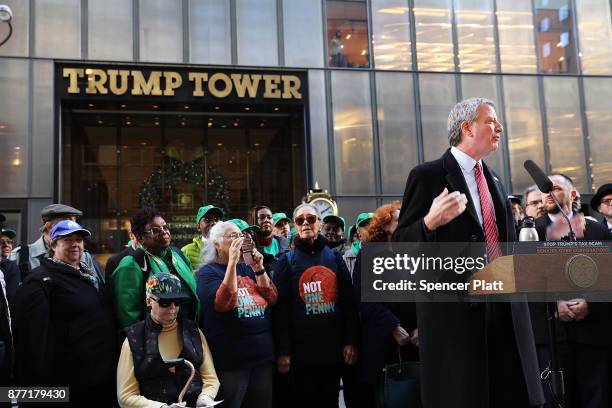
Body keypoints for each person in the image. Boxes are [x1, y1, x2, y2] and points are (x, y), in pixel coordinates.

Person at [393, 97, 544, 408]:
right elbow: (400, 245)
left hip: (504, 308)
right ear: (466, 128)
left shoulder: (496, 180)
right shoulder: (428, 175)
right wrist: (428, 223)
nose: (499, 127)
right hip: (457, 318)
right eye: (491, 121)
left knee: (508, 392)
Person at [12, 220, 116, 407]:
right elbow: (31, 342)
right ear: (53, 245)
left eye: (79, 239)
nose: (75, 244)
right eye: (67, 240)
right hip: (66, 386)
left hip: (99, 380)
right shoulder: (39, 281)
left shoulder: (89, 274)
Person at [531, 174, 612, 408]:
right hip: (550, 335)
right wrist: (553, 304)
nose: (547, 193)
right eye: (544, 190)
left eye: (554, 188)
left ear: (573, 194)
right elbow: (523, 282)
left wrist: (591, 303)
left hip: (593, 334)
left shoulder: (597, 232)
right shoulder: (530, 232)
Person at [273, 203, 359, 408]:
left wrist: (351, 341)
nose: (305, 224)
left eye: (311, 219)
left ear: (319, 224)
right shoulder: (286, 261)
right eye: (300, 220)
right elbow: (280, 310)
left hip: (332, 351)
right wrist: (283, 351)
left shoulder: (335, 257)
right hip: (300, 354)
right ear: (294, 226)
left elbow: (348, 302)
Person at [198, 221, 277, 408]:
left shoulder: (248, 268)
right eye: (232, 236)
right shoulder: (207, 273)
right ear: (216, 244)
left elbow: (272, 297)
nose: (239, 239)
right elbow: (224, 303)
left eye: (240, 236)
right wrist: (232, 262)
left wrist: (258, 267)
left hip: (261, 357)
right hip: (231, 361)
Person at [117, 272, 219, 408]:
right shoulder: (134, 338)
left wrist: (205, 398)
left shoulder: (193, 331)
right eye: (165, 302)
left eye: (177, 302)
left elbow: (211, 378)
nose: (172, 308)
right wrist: (161, 407)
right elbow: (125, 395)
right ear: (149, 301)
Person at [353, 200, 418, 406]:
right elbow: (364, 299)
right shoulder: (369, 254)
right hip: (383, 343)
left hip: (415, 343)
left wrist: (422, 326)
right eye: (399, 219)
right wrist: (393, 327)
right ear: (385, 225)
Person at [112, 207, 198, 330]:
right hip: (155, 339)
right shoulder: (132, 264)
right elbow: (128, 314)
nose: (164, 232)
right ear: (140, 237)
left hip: (189, 332)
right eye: (155, 230)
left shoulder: (179, 255)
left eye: (165, 227)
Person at [10, 204, 103, 281]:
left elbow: (95, 288)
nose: (73, 227)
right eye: (66, 222)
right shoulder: (21, 255)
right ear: (48, 227)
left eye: (74, 223)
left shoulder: (83, 256)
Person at [182, 205, 224, 273]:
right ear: (198, 227)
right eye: (207, 220)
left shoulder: (228, 247)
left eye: (216, 219)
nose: (213, 223)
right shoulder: (186, 251)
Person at [248, 206, 289, 273]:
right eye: (262, 218)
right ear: (254, 221)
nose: (266, 220)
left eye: (269, 217)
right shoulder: (250, 246)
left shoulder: (283, 242)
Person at [343, 212, 372, 278]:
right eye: (365, 227)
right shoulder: (346, 258)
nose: (370, 230)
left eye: (373, 225)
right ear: (358, 232)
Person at [0, 228, 20, 303]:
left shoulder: (12, 266)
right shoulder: (11, 266)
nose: (7, 245)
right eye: (1, 242)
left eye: (9, 242)